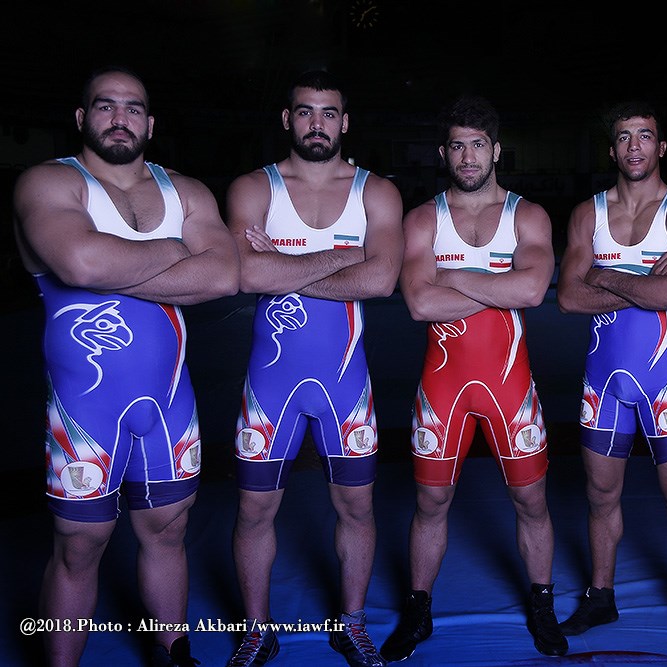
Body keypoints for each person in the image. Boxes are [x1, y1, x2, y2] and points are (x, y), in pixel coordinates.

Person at [12, 66, 239, 667]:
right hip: (85, 410)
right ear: (81, 117)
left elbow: (223, 274)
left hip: (169, 402)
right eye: (105, 105)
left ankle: (174, 653)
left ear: (150, 122)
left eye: (133, 108)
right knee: (80, 546)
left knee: (168, 531)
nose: (120, 118)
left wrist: (119, 263)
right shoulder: (49, 182)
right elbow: (80, 264)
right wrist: (175, 252)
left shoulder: (186, 192)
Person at [224, 70, 403, 667]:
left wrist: (285, 262)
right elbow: (246, 274)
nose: (317, 124)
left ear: (344, 122)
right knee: (254, 510)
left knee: (357, 507)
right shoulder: (254, 188)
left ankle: (351, 624)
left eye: (329, 113)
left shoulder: (376, 192)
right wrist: (343, 256)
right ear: (287, 119)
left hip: (344, 383)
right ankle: (257, 630)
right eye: (305, 112)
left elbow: (381, 279)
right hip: (269, 384)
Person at [380, 94, 566, 661]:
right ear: (443, 153)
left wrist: (452, 277)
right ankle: (418, 611)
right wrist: (494, 282)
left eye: (478, 145)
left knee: (531, 500)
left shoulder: (528, 216)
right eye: (457, 146)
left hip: (512, 387)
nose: (467, 156)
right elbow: (419, 303)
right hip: (444, 387)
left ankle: (542, 605)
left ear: (496, 151)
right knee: (430, 502)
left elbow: (530, 290)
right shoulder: (422, 219)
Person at [555, 100, 667, 666]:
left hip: (665, 382)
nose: (634, 146)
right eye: (624, 137)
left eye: (645, 135)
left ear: (661, 146)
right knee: (600, 497)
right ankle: (601, 597)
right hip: (604, 384)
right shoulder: (587, 214)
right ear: (612, 149)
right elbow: (569, 297)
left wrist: (605, 274)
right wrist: (644, 278)